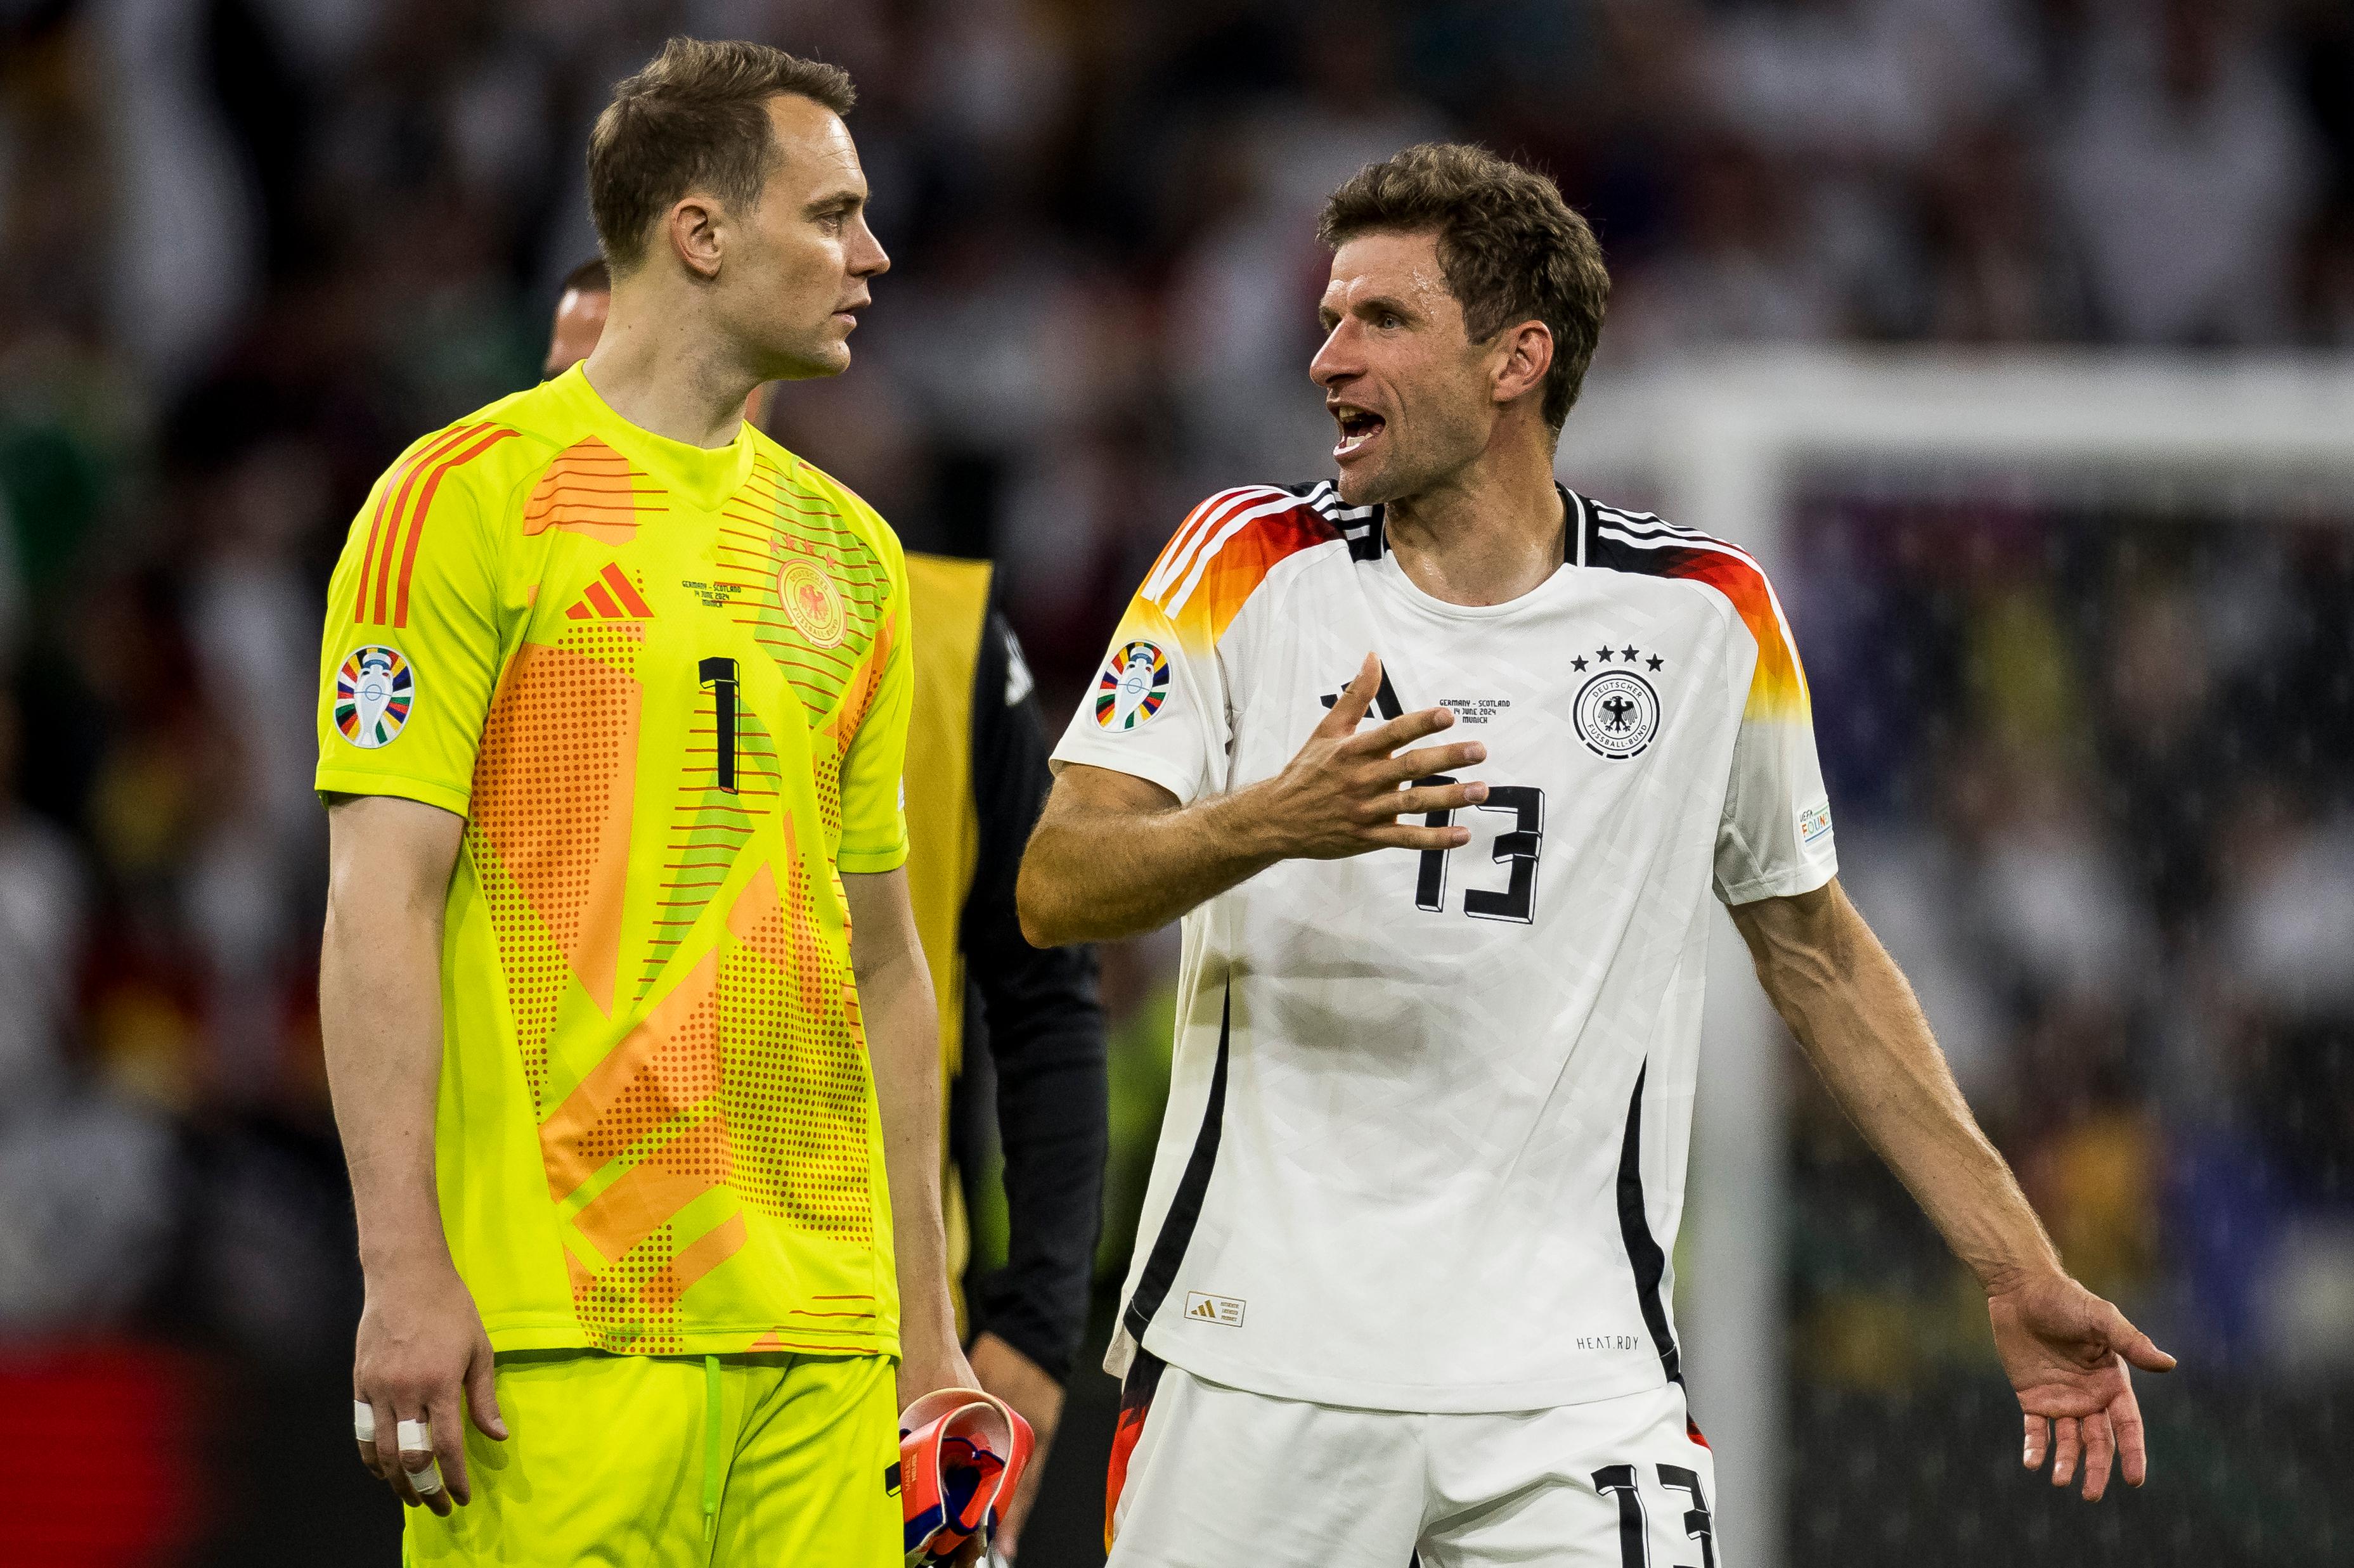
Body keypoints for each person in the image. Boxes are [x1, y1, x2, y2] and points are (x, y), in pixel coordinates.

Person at [1018, 142, 2176, 1566]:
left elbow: (1812, 947)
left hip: (1572, 1383)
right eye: (1328, 317)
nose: (1327, 356)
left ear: (1518, 359)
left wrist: (2015, 1261)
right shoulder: (1245, 561)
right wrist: (1274, 820)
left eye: (1381, 320)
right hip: (1261, 1357)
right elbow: (1055, 883)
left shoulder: (1706, 616)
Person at [315, 39, 977, 1564]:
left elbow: (885, 961)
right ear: (700, 232)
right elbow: (379, 901)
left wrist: (928, 1337)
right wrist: (403, 1268)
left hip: (823, 1336)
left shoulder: (857, 555)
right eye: (834, 214)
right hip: (562, 1323)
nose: (872, 253)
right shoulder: (458, 502)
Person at [533, 265, 1108, 1558]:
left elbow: (1042, 998)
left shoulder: (933, 631)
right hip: (573, 1334)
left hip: (882, 1349)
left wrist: (1031, 1325)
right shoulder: (496, 631)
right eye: (567, 378)